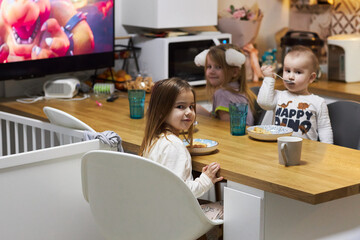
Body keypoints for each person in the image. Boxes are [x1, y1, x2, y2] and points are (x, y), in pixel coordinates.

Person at [140, 77, 224, 199]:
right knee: (230, 212)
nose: (189, 112)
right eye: (180, 106)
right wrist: (206, 180)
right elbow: (179, 192)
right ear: (161, 111)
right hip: (176, 215)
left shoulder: (154, 139)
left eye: (191, 106)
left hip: (157, 211)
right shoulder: (173, 145)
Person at [257, 45, 333, 143]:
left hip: (307, 150)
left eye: (298, 72)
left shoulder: (318, 102)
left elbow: (325, 129)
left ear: (311, 78)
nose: (291, 76)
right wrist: (268, 78)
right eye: (287, 71)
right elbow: (264, 103)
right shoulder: (278, 96)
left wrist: (329, 151)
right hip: (277, 147)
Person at [194, 43, 257, 125]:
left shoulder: (222, 94)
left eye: (218, 67)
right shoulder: (238, 89)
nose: (211, 71)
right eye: (209, 66)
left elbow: (225, 127)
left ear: (234, 72)